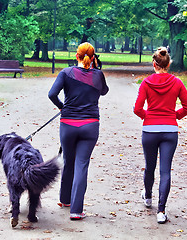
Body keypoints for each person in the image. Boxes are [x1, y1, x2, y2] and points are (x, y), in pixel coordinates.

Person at [48, 42, 109, 220]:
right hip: (90, 126)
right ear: (93, 57)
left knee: (69, 160)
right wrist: (97, 69)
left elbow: (52, 94)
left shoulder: (66, 73)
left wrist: (62, 107)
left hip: (68, 124)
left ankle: (64, 199)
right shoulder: (98, 75)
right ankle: (76, 210)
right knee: (81, 164)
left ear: (77, 56)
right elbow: (104, 91)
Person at [133, 47, 187, 224]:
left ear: (154, 64)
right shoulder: (177, 82)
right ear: (168, 64)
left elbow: (137, 109)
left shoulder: (146, 82)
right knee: (165, 170)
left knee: (149, 166)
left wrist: (148, 116)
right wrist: (174, 116)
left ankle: (148, 197)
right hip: (170, 131)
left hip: (150, 130)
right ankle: (161, 211)